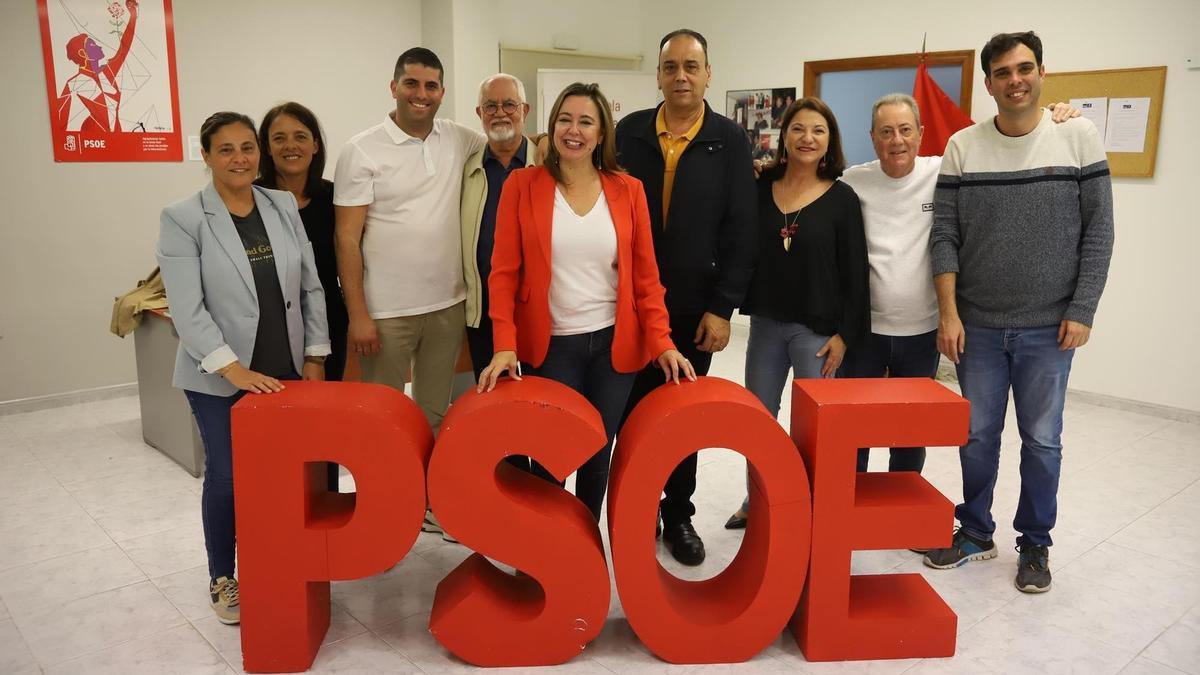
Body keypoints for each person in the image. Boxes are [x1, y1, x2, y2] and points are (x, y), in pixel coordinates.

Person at [924, 31, 1114, 594]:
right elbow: (945, 235)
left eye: (1025, 68)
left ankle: (1035, 544)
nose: (1016, 80)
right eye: (1003, 72)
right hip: (977, 326)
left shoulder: (1077, 136)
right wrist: (949, 313)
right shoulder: (964, 146)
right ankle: (977, 533)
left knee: (1042, 441)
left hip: (1049, 329)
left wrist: (1083, 308)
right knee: (977, 437)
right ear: (988, 83)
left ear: (1041, 74)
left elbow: (1099, 231)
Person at [478, 82, 696, 522]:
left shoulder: (627, 189)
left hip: (613, 348)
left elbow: (646, 277)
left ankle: (584, 546)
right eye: (565, 119)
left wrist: (663, 341)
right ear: (552, 125)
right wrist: (505, 343)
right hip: (553, 347)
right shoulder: (523, 185)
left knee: (599, 451)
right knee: (551, 455)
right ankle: (546, 552)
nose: (573, 130)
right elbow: (502, 275)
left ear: (601, 134)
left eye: (585, 122)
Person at [840, 94, 1081, 479]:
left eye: (905, 130)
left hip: (922, 332)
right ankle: (847, 511)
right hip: (863, 331)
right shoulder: (852, 182)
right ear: (872, 137)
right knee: (855, 428)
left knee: (908, 430)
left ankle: (902, 510)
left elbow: (1006, 146)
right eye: (886, 132)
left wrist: (1050, 115)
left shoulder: (943, 172)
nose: (896, 141)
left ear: (920, 134)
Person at [157, 112, 330, 625]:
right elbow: (187, 311)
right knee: (229, 478)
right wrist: (235, 373)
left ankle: (283, 563)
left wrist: (315, 357)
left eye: (247, 147)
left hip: (287, 370)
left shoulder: (280, 205)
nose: (240, 158)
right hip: (219, 378)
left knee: (289, 476)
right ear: (205, 156)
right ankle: (223, 577)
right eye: (226, 149)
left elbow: (311, 287)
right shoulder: (183, 217)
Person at [614, 28, 757, 566]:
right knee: (629, 412)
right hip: (627, 306)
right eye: (670, 67)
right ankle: (637, 508)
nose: (680, 76)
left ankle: (678, 514)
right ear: (657, 75)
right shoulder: (626, 134)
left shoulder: (729, 139)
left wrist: (723, 307)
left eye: (691, 67)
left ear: (707, 75)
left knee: (680, 417)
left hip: (695, 310)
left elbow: (741, 230)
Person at [725, 97, 869, 528]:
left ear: (830, 142)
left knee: (814, 430)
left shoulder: (843, 200)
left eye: (818, 131)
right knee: (759, 423)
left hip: (819, 334)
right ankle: (758, 501)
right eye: (799, 129)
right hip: (766, 326)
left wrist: (846, 334)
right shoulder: (758, 188)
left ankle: (807, 507)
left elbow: (856, 273)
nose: (808, 138)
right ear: (783, 136)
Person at [257, 101, 347, 492]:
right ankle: (281, 509)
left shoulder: (335, 198)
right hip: (270, 331)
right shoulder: (251, 199)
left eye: (299, 137)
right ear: (266, 147)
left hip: (329, 327)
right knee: (277, 430)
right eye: (279, 138)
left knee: (324, 426)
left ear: (315, 145)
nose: (289, 146)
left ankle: (324, 503)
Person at [56, 0, 139, 133]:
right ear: (83, 53)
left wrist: (133, 15)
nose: (99, 46)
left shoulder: (106, 71)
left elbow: (124, 47)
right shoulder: (73, 84)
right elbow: (61, 122)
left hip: (118, 137)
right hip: (94, 139)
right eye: (93, 45)